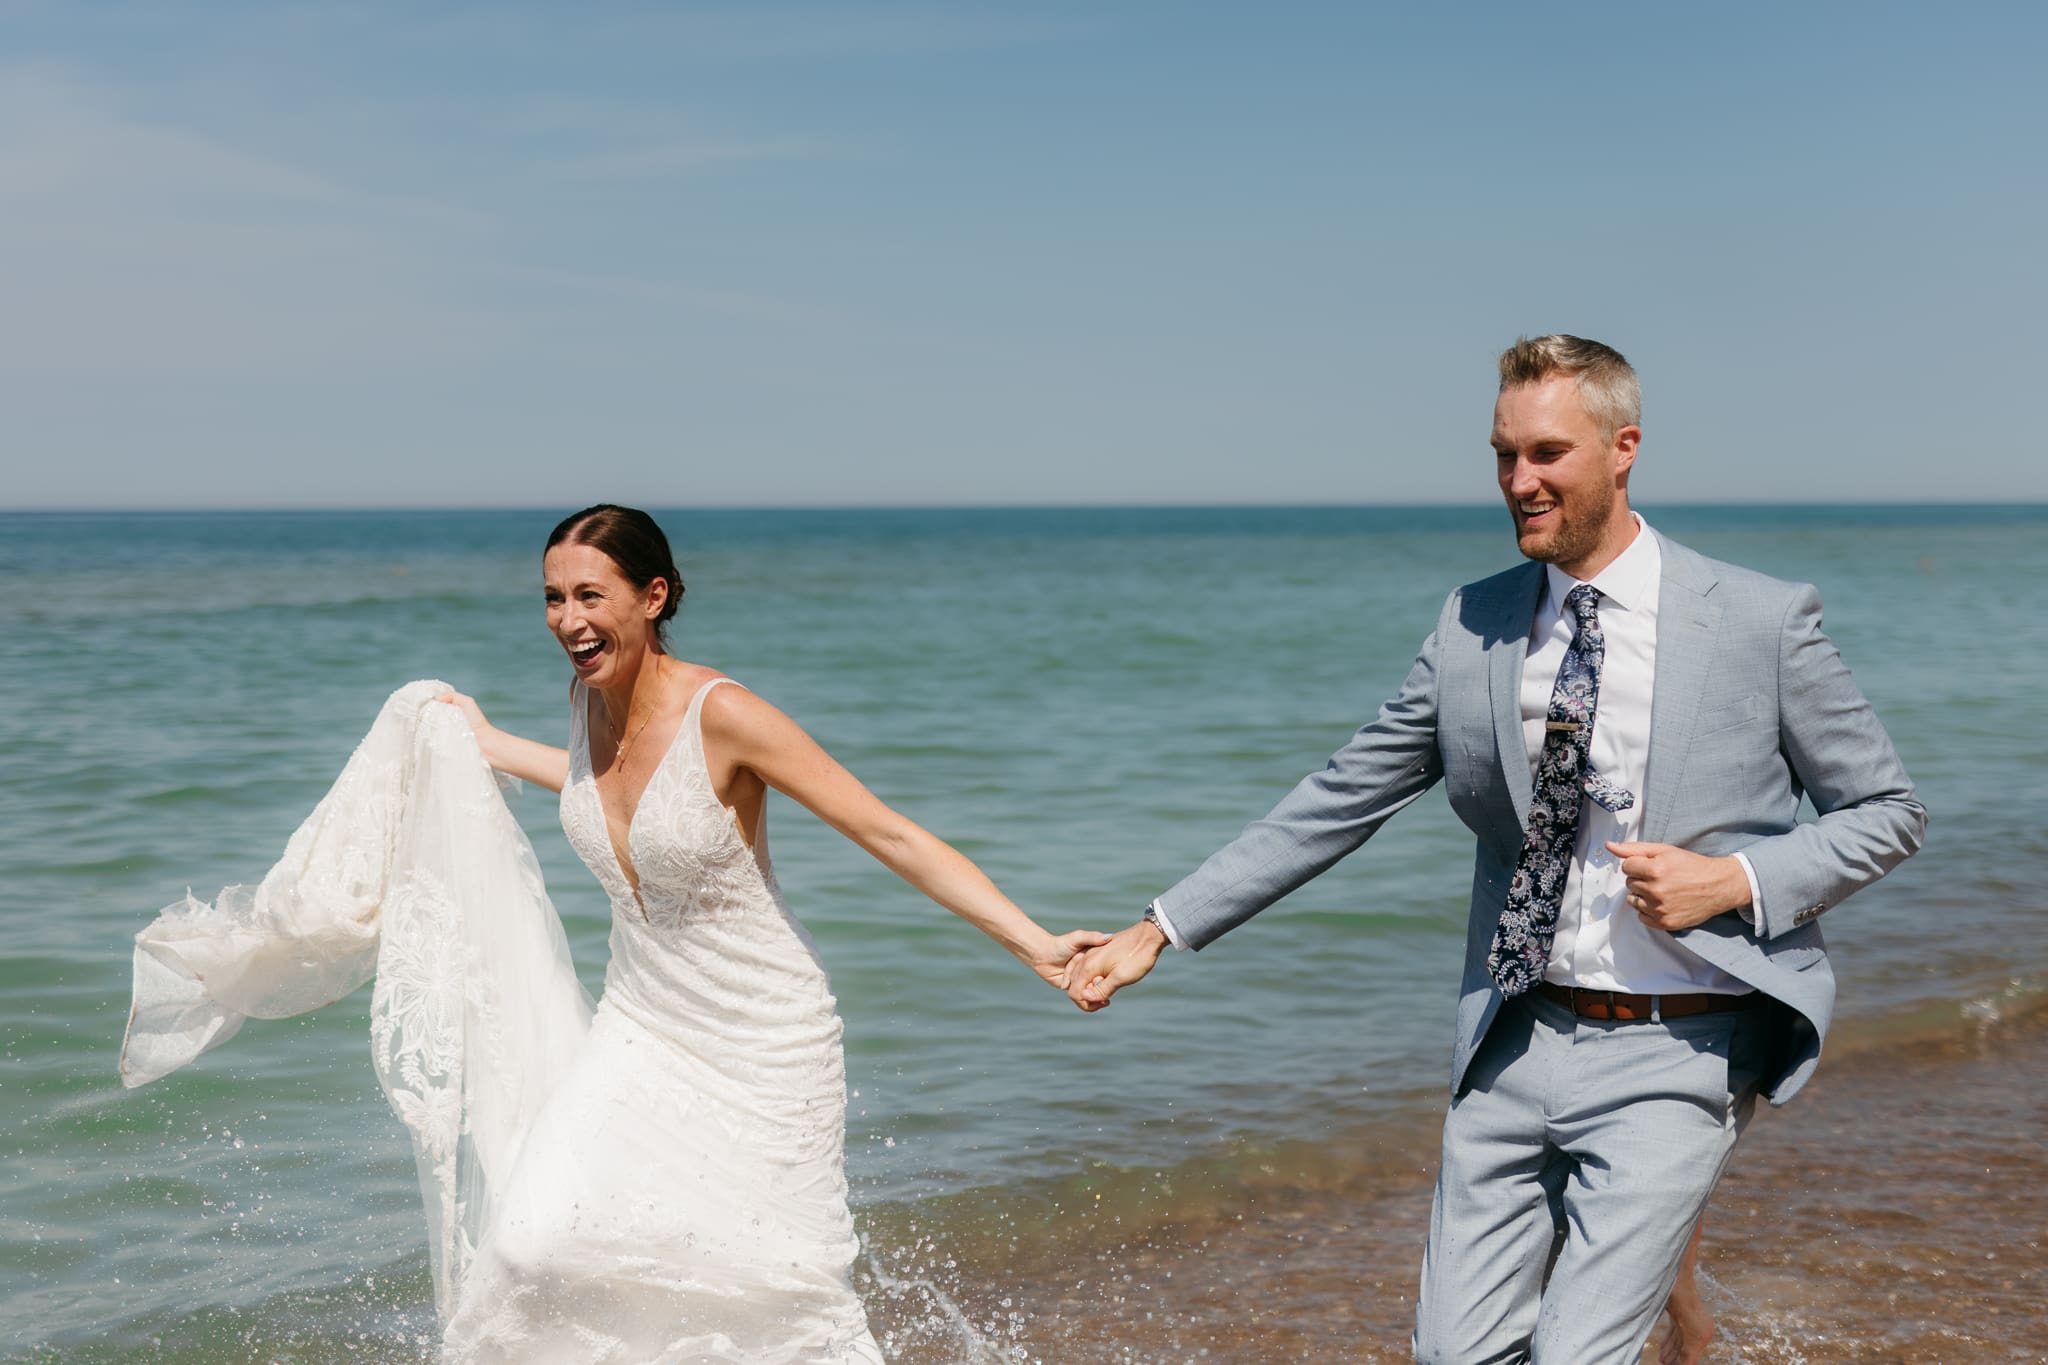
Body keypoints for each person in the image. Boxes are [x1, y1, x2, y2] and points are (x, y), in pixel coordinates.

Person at [1064, 336, 1925, 1362]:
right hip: (1510, 1039)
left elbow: (1884, 808)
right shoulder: (1471, 623)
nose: (1518, 482)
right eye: (1502, 455)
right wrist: (1160, 928)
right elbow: (1341, 796)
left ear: (1622, 448)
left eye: (1546, 454)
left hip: (1678, 1046)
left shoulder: (1756, 620)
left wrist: (1731, 879)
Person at [428, 503, 1106, 1361]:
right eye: (553, 597)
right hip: (639, 1025)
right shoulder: (586, 698)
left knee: (771, 1287)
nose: (568, 620)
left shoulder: (727, 714)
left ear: (653, 595)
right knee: (533, 1246)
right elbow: (593, 788)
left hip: (764, 1040)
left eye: (590, 595)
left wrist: (1035, 944)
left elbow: (887, 831)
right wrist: (487, 741)